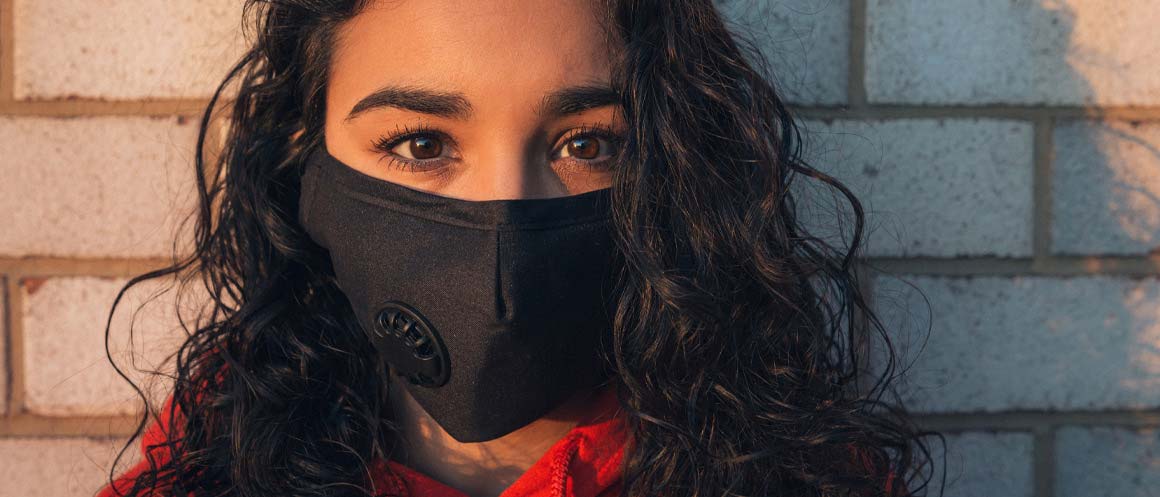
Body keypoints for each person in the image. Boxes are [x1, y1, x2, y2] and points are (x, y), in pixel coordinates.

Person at [97, 1, 942, 496]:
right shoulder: (212, 458)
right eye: (422, 144)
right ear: (303, 163)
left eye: (586, 144)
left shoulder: (798, 471)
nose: (502, 223)